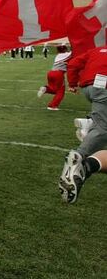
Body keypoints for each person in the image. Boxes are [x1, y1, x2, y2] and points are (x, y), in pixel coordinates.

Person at [58, 46, 107, 203]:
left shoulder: (96, 50)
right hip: (103, 87)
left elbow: (73, 64)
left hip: (89, 87)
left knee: (102, 121)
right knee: (103, 128)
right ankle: (78, 157)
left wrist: (72, 83)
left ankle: (90, 123)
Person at [37, 45, 71, 111]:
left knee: (54, 89)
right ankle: (52, 106)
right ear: (65, 49)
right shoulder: (67, 54)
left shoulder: (58, 55)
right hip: (58, 74)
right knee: (60, 91)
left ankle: (46, 89)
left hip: (51, 73)